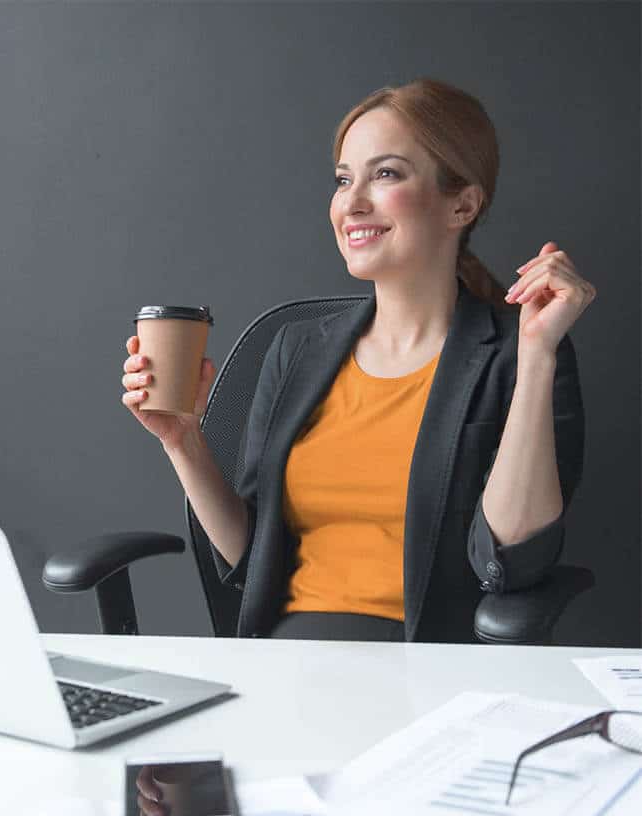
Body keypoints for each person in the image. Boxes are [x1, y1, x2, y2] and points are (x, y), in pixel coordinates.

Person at [120, 78, 596, 642]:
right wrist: (183, 441)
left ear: (462, 204)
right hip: (287, 663)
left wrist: (535, 352)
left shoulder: (517, 355)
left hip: (429, 672)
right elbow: (253, 560)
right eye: (344, 179)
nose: (352, 201)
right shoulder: (295, 349)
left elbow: (513, 556)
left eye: (386, 174)